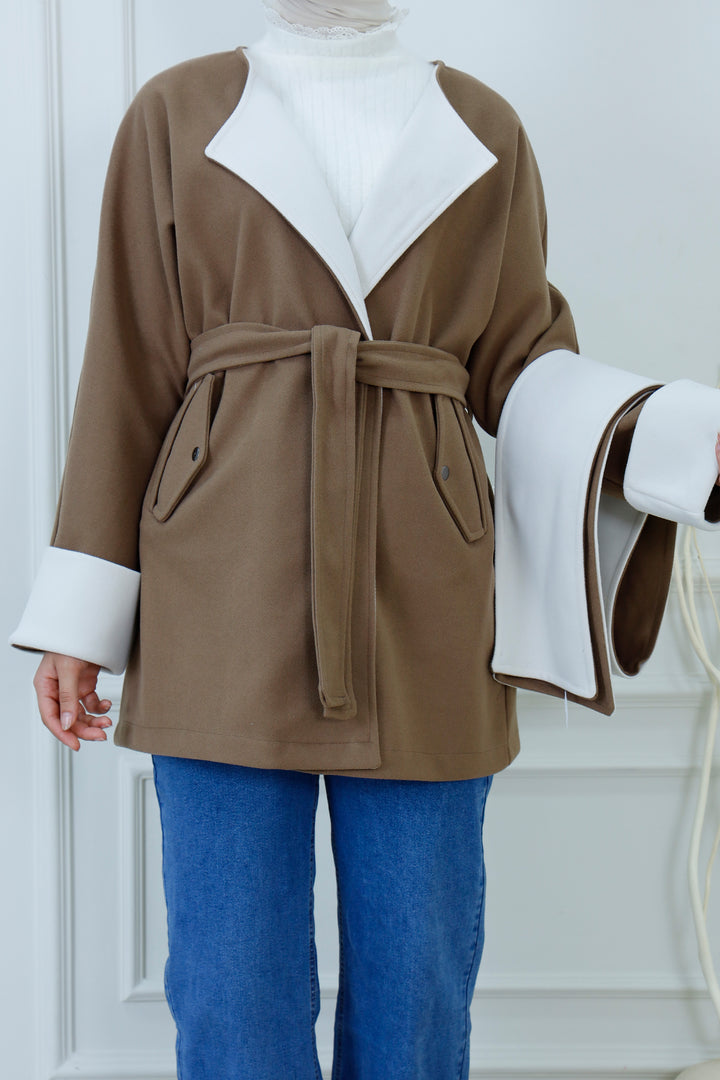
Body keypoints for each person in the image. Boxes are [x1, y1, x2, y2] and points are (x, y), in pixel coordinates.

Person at [8, 1, 720, 1076]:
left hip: (424, 587)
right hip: (220, 582)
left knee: (418, 991)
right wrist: (81, 618)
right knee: (231, 994)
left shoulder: (484, 127)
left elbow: (526, 364)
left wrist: (664, 432)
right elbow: (128, 367)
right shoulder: (173, 112)